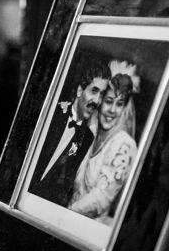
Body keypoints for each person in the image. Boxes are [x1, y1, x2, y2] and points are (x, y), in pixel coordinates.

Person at [27, 59, 110, 207]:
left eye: (102, 94)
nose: (97, 101)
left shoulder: (87, 138)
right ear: (79, 91)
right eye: (94, 91)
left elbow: (65, 183)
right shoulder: (52, 113)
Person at [69, 60, 140, 224]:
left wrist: (65, 213)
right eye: (108, 101)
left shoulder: (125, 145)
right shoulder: (91, 131)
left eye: (120, 104)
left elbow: (101, 198)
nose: (112, 110)